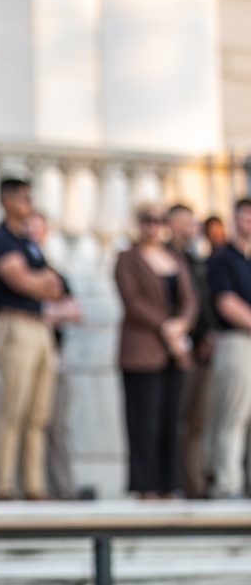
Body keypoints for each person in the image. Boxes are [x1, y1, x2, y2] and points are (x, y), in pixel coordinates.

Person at [0, 179, 65, 499]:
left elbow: (55, 285)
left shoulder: (28, 241)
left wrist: (41, 283)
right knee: (12, 408)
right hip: (15, 324)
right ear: (6, 199)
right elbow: (19, 280)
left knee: (39, 413)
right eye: (22, 197)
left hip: (41, 326)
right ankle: (2, 483)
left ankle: (34, 484)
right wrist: (40, 283)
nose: (28, 203)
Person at [113, 206, 198, 498]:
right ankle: (144, 484)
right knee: (143, 419)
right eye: (148, 221)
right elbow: (132, 300)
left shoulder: (174, 259)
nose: (154, 227)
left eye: (158, 221)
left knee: (171, 419)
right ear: (138, 224)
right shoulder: (127, 259)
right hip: (142, 350)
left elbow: (190, 299)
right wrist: (165, 326)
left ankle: (167, 483)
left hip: (174, 351)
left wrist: (182, 325)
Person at [24, 211, 85, 502]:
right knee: (26, 420)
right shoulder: (14, 269)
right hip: (24, 355)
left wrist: (44, 312)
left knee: (58, 424)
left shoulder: (55, 273)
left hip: (56, 355)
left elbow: (75, 311)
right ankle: (31, 487)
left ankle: (63, 487)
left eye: (39, 229)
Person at [167, 203, 215, 498]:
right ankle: (175, 482)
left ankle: (194, 483)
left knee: (198, 422)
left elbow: (203, 301)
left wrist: (209, 334)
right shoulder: (166, 260)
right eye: (185, 222)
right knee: (178, 419)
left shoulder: (195, 260)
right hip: (177, 350)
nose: (191, 228)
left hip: (202, 349)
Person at [206, 197, 251, 497]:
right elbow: (226, 302)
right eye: (244, 216)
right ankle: (227, 484)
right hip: (237, 341)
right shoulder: (222, 258)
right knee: (233, 415)